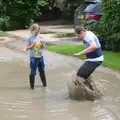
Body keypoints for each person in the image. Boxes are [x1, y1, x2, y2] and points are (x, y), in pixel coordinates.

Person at [73, 26, 104, 90]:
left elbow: (93, 46)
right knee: (81, 74)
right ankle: (89, 91)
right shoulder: (87, 34)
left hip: (95, 60)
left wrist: (80, 53)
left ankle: (88, 94)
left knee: (80, 75)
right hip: (91, 59)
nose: (77, 37)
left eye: (78, 35)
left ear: (81, 32)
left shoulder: (88, 36)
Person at [25, 23, 47, 89]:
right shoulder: (29, 38)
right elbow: (26, 48)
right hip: (33, 58)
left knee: (42, 71)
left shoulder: (41, 37)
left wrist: (42, 44)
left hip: (40, 57)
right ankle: (32, 87)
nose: (37, 32)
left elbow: (44, 47)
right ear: (32, 30)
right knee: (33, 72)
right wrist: (32, 45)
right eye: (36, 31)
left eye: (38, 31)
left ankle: (45, 85)